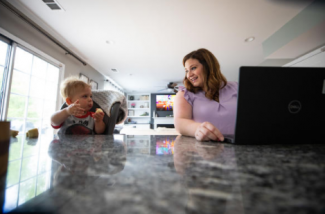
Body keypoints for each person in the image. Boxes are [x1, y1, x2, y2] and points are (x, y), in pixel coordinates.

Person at [174, 48, 238, 141]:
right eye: (187, 71)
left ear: (208, 67)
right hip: (206, 150)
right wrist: (198, 129)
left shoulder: (235, 87)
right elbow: (180, 123)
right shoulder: (185, 93)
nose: (189, 75)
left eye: (193, 68)